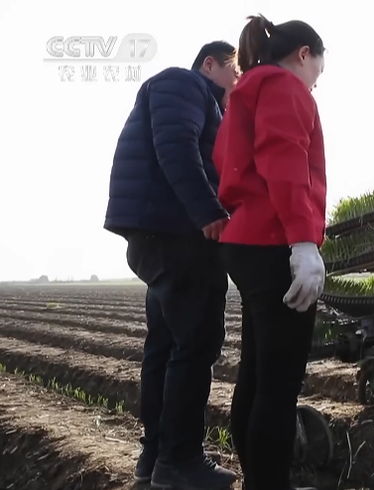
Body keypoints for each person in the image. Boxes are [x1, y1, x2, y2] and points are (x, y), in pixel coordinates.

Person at [103, 41, 239, 490]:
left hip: (160, 234)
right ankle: (180, 461)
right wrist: (209, 213)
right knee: (196, 343)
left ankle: (155, 457)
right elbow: (176, 146)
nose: (236, 83)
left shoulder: (192, 94)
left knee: (165, 345)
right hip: (178, 233)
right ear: (210, 64)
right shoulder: (184, 84)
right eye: (233, 72)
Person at [212, 14, 327, 490]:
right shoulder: (283, 86)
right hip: (273, 240)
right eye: (319, 70)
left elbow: (227, 163)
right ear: (304, 54)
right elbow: (285, 160)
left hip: (245, 240)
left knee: (257, 375)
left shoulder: (246, 89)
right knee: (279, 385)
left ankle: (259, 480)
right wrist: (303, 241)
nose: (316, 83)